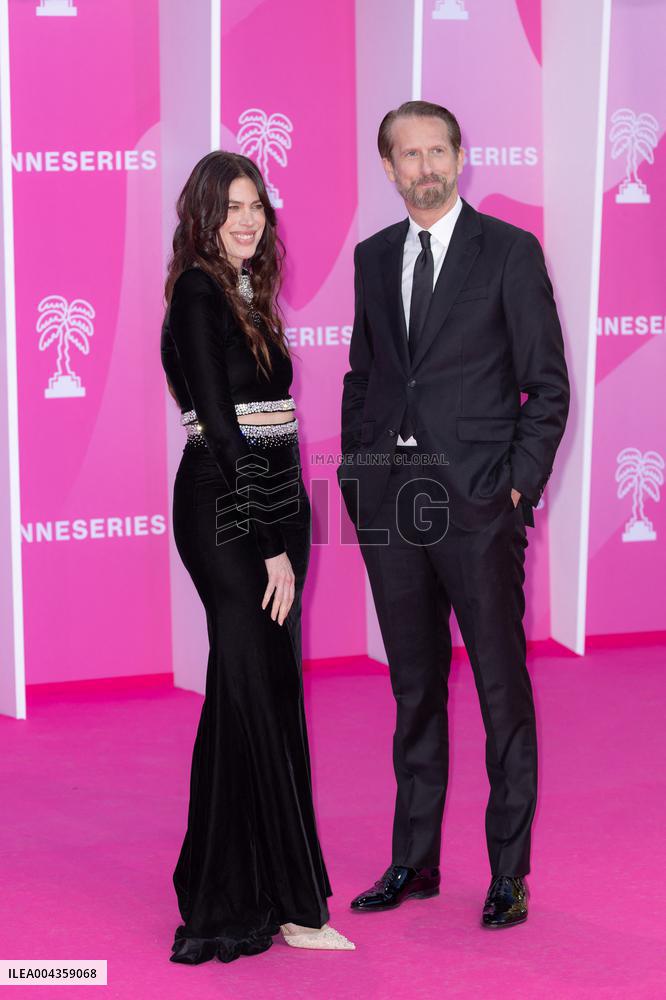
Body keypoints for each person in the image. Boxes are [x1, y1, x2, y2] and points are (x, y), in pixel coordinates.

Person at [338, 101, 570, 929]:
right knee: (414, 689)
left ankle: (509, 874)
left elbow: (547, 388)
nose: (425, 167)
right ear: (389, 167)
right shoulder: (372, 258)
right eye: (409, 155)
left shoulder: (508, 252)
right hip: (391, 503)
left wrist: (515, 488)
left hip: (477, 506)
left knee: (501, 690)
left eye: (438, 151)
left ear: (461, 157)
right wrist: (357, 472)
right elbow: (364, 375)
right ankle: (415, 862)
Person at [161, 151, 354, 963]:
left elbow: (271, 419)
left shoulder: (249, 294)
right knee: (251, 687)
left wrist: (290, 520)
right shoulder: (198, 295)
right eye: (231, 208)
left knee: (263, 690)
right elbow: (223, 425)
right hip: (227, 512)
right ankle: (291, 907)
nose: (247, 221)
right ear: (202, 218)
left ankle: (226, 879)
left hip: (274, 505)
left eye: (256, 207)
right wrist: (273, 543)